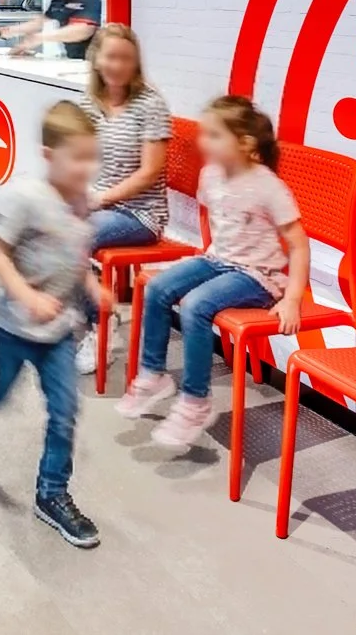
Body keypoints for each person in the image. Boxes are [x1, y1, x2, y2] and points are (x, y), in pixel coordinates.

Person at [0, 100, 105, 549]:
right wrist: (27, 294)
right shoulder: (28, 198)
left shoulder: (82, 202)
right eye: (80, 157)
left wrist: (92, 288)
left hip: (59, 334)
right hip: (14, 327)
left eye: (94, 157)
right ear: (50, 155)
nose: (88, 167)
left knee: (65, 411)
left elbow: (76, 257)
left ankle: (52, 494)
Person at [116, 94, 309, 451]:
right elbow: (219, 219)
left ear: (245, 143)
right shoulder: (210, 175)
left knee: (195, 306)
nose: (202, 141)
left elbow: (298, 245)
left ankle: (195, 402)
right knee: (158, 289)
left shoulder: (268, 186)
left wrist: (293, 298)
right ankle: (153, 375)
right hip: (218, 259)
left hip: (258, 275)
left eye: (214, 135)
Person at [72, 23, 173, 374]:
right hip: (97, 203)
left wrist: (99, 199)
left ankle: (101, 324)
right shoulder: (88, 103)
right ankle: (81, 313)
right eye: (112, 57)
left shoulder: (150, 105)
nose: (119, 65)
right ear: (97, 60)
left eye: (127, 58)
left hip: (139, 214)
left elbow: (149, 173)